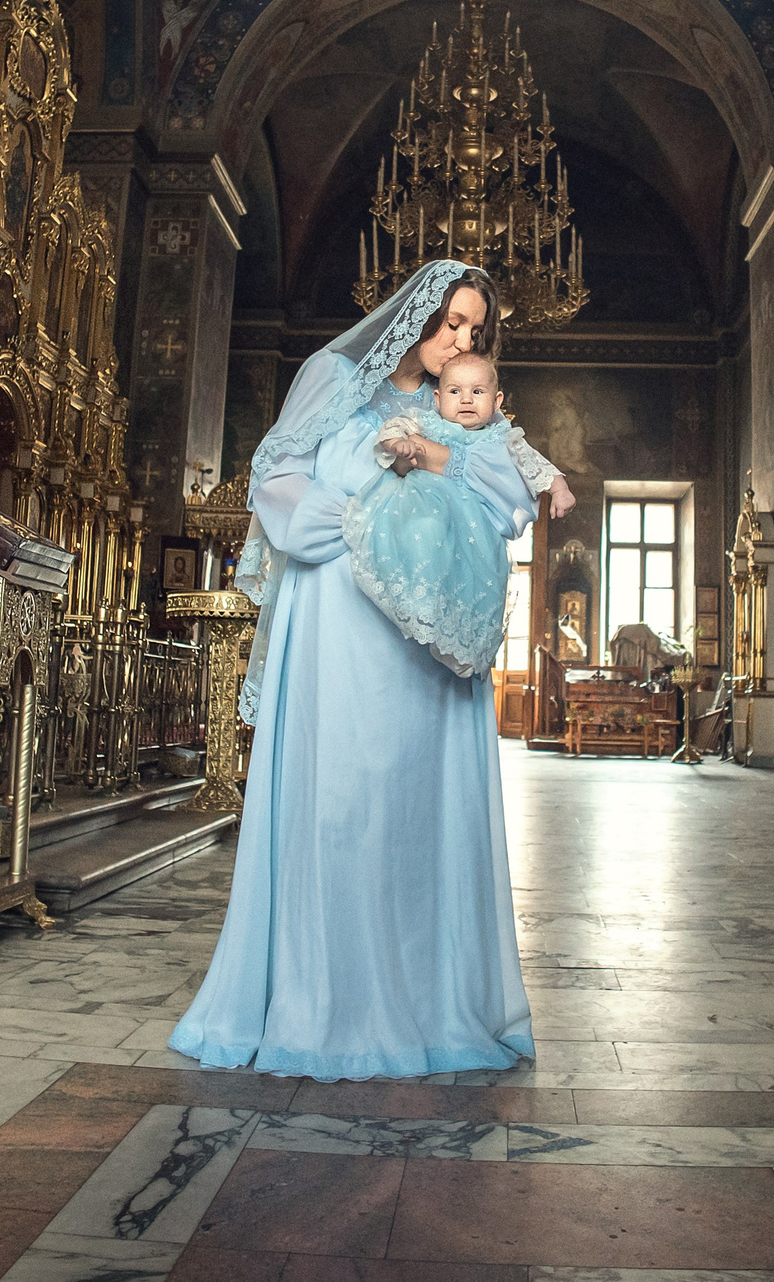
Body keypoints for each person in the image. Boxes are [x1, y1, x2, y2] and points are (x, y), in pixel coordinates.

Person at [170, 261, 565, 1080]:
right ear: (420, 308)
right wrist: (359, 520)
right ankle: (326, 999)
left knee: (414, 809)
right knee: (342, 800)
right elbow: (275, 482)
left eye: (473, 330)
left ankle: (427, 1001)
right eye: (452, 321)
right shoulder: (334, 378)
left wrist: (437, 464)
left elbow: (505, 503)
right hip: (338, 623)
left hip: (420, 644)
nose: (460, 340)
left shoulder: (460, 406)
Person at [345, 354, 560, 678]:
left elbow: (533, 463)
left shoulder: (502, 436)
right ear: (438, 398)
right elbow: (395, 427)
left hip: (475, 523)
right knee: (426, 536)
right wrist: (397, 444)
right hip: (426, 503)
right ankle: (424, 615)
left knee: (487, 569)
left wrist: (559, 489)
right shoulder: (427, 422)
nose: (466, 400)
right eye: (455, 391)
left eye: (477, 392)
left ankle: (466, 644)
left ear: (497, 400)